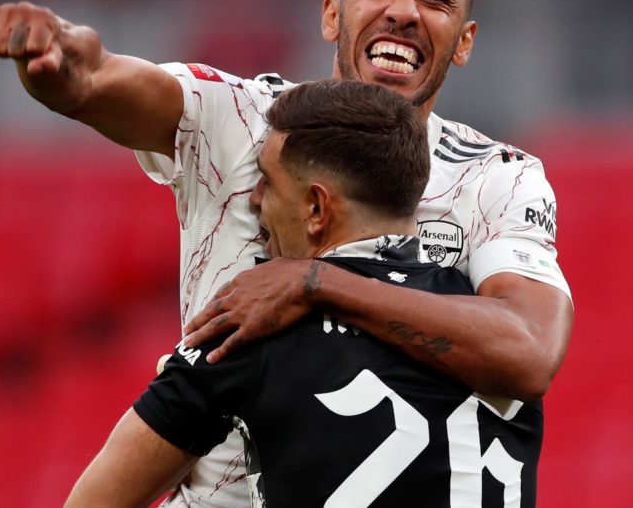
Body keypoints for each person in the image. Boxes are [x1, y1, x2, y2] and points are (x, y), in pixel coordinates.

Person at [0, 0, 573, 507]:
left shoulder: (498, 178)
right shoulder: (241, 118)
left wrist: (311, 281)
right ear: (332, 16)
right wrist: (67, 63)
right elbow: (102, 81)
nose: (403, 11)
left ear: (466, 40)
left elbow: (529, 351)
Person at [64, 80, 543, 507]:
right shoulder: (489, 335)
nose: (254, 201)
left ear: (316, 208)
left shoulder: (249, 328)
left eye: (267, 182)